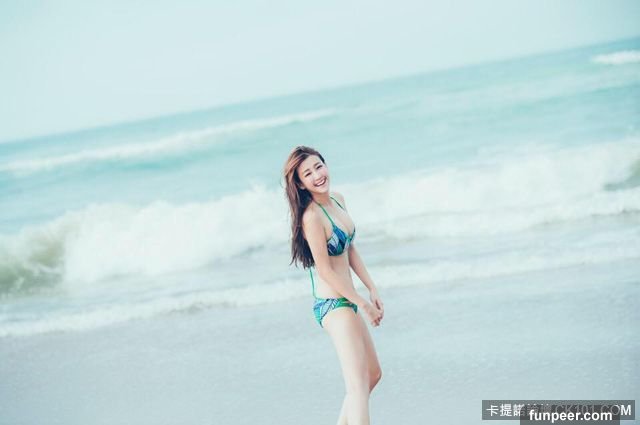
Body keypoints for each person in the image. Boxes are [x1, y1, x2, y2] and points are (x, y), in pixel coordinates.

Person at [283, 145, 384, 425]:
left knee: (373, 374)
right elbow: (325, 271)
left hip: (349, 300)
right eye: (308, 174)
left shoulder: (338, 200)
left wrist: (371, 287)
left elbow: (349, 249)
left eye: (319, 166)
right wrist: (362, 303)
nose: (317, 175)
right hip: (333, 304)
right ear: (300, 184)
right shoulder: (311, 218)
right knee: (357, 387)